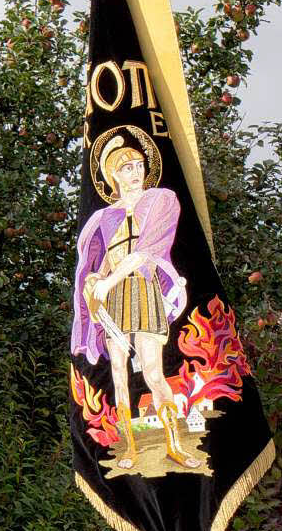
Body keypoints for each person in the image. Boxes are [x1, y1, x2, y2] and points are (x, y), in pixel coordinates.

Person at [71, 136, 199, 469]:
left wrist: (108, 282)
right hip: (114, 301)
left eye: (140, 166)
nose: (135, 173)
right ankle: (130, 448)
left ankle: (175, 442)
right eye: (127, 168)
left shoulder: (161, 200)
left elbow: (144, 252)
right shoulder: (102, 218)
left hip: (144, 290)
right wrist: (94, 281)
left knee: (155, 375)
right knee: (118, 375)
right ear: (113, 174)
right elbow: (100, 263)